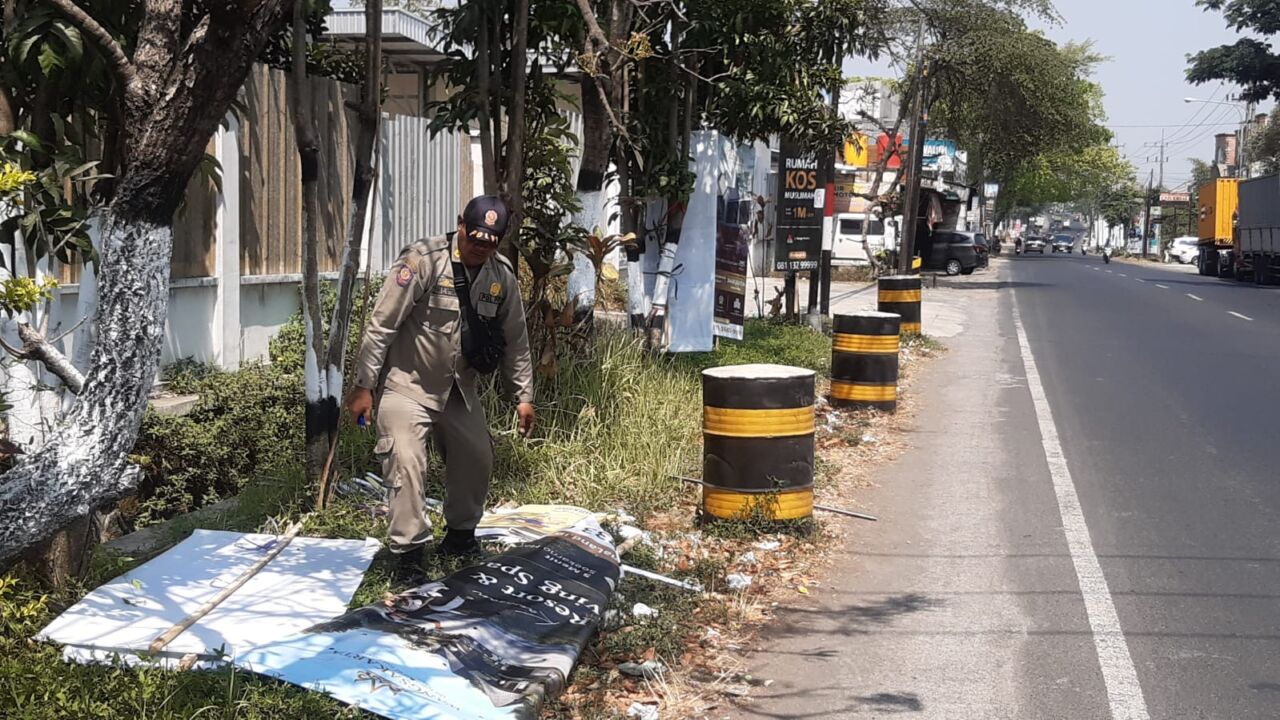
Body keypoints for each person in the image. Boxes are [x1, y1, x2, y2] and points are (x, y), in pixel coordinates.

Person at [345, 195, 535, 576]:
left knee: (477, 457)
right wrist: (364, 386)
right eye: (474, 238)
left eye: (489, 242)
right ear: (460, 224)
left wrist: (523, 397)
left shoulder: (501, 277)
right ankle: (409, 553)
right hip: (407, 385)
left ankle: (461, 534)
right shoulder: (422, 261)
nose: (480, 247)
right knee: (406, 462)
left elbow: (517, 339)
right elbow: (381, 325)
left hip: (458, 390)